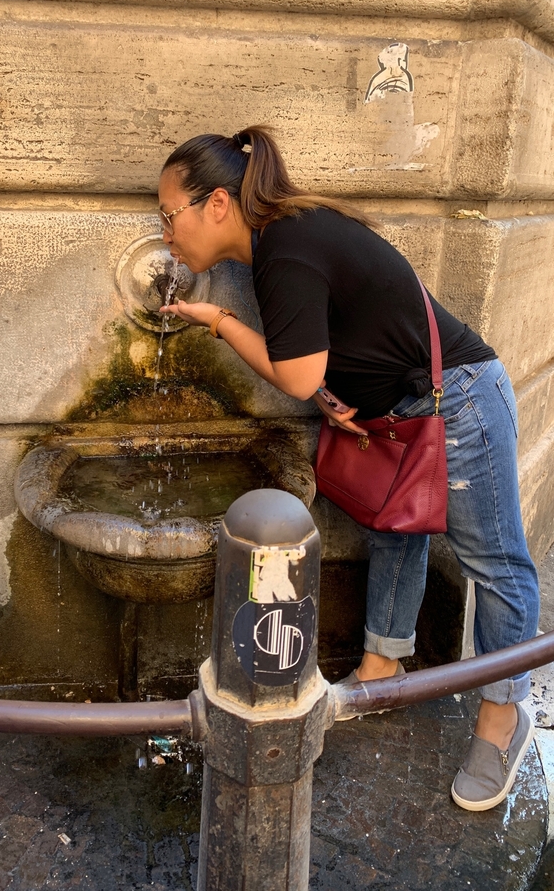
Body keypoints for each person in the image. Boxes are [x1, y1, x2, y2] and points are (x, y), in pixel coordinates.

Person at [157, 125, 540, 812]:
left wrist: (218, 320)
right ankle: (382, 668)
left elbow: (297, 375)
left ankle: (503, 719)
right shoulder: (284, 240)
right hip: (404, 405)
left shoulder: (286, 250)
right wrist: (339, 396)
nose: (166, 235)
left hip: (460, 400)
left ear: (217, 204)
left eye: (169, 215)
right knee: (393, 529)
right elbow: (342, 338)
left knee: (496, 562)